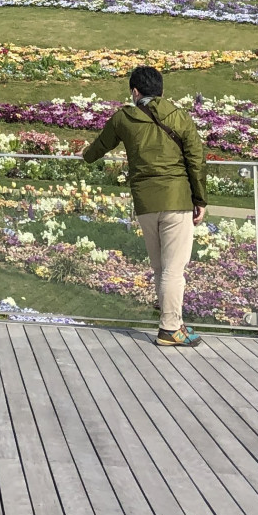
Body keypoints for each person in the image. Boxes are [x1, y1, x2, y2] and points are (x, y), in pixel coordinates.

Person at [80, 66, 208, 348]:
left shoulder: (123, 118)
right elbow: (196, 161)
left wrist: (84, 156)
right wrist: (200, 200)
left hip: (145, 202)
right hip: (177, 200)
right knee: (174, 270)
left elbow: (100, 147)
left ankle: (171, 321)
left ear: (134, 92)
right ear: (161, 91)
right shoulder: (179, 116)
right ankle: (170, 328)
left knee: (161, 267)